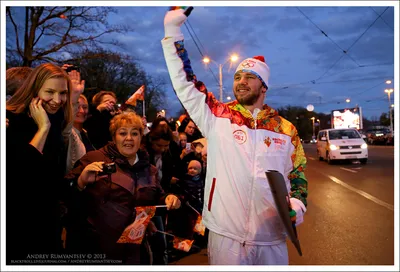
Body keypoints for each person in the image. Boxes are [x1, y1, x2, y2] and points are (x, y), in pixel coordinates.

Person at [162, 7, 308, 265]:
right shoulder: (217, 115)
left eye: (250, 77)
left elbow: (297, 175)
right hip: (225, 232)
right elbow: (185, 83)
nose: (241, 81)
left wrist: (296, 205)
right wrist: (173, 32)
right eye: (238, 76)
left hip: (271, 235)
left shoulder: (285, 130)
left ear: (263, 86)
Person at [64, 111, 181, 264]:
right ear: (114, 137)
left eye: (134, 133)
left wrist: (169, 198)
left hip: (134, 251)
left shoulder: (149, 169)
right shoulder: (94, 159)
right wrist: (80, 182)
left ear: (141, 138)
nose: (129, 139)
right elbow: (64, 194)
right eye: (123, 133)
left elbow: (156, 197)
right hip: (97, 249)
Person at [6, 63, 74, 263]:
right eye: (50, 92)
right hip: (17, 222)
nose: (57, 100)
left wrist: (75, 183)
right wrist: (43, 128)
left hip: (47, 219)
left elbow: (51, 174)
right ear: (34, 90)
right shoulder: (11, 120)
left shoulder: (56, 117)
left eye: (62, 93)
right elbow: (22, 172)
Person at [64, 94, 95, 173]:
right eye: (77, 107)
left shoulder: (85, 132)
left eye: (84, 107)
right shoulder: (67, 133)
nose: (81, 111)